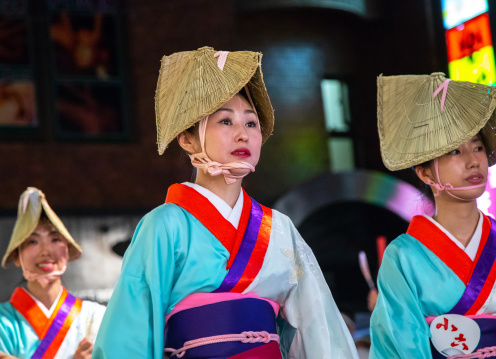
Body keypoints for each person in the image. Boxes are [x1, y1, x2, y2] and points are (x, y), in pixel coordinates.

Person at [92, 46, 358, 359]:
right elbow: (129, 335)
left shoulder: (280, 231)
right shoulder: (163, 226)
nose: (243, 134)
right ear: (188, 138)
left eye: (251, 123)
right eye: (226, 122)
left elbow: (318, 329)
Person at [370, 72, 496, 358]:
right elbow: (400, 347)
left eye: (478, 147)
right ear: (424, 173)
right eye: (456, 151)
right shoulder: (402, 257)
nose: (473, 161)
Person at [0, 187, 106, 359]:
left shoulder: (97, 317)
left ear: (67, 251)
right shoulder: (2, 323)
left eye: (55, 239)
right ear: (16, 256)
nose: (45, 251)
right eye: (33, 241)